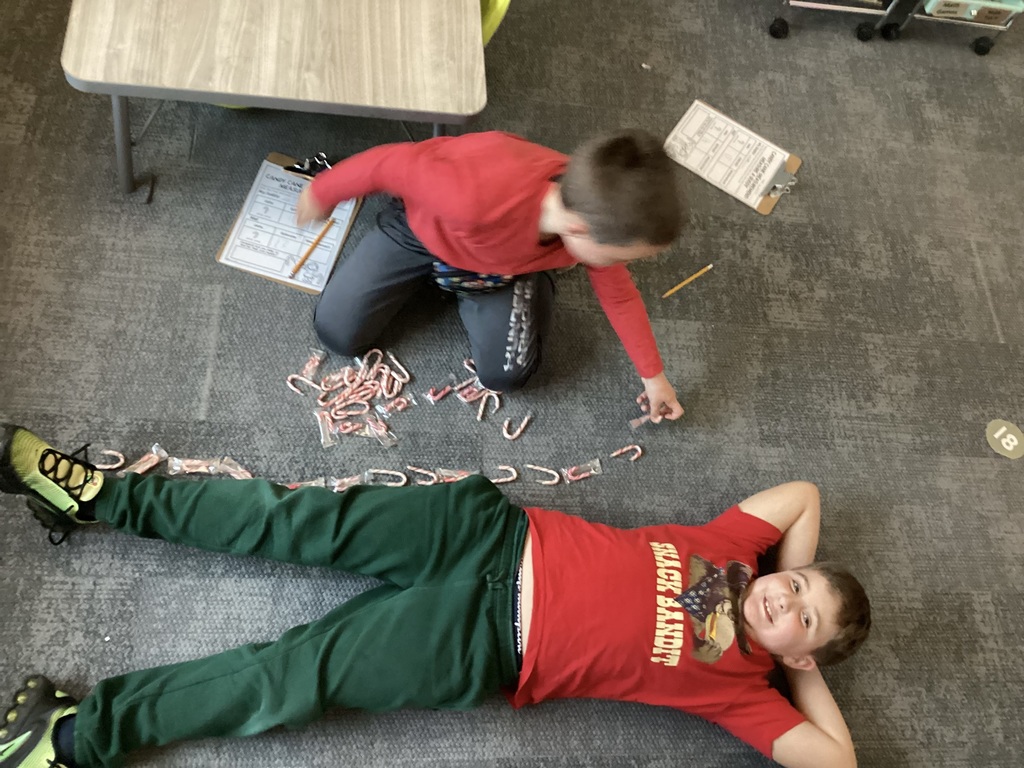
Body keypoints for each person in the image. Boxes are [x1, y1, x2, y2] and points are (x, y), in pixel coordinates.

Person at [0, 423, 870, 768]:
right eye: (793, 584)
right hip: (485, 533)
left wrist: (794, 666)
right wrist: (791, 590)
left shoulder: (739, 690)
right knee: (290, 520)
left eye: (802, 618)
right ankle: (96, 497)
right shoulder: (731, 556)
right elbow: (804, 496)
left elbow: (838, 763)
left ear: (799, 652)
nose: (783, 599)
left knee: (290, 676)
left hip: (481, 642)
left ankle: (74, 740)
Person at [295, 130, 687, 421]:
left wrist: (654, 377)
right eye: (621, 257)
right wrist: (323, 192)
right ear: (579, 229)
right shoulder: (469, 197)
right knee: (337, 334)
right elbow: (389, 164)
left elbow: (619, 295)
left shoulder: (595, 211)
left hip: (504, 269)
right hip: (422, 233)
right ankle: (456, 277)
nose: (622, 267)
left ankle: (514, 281)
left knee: (506, 376)